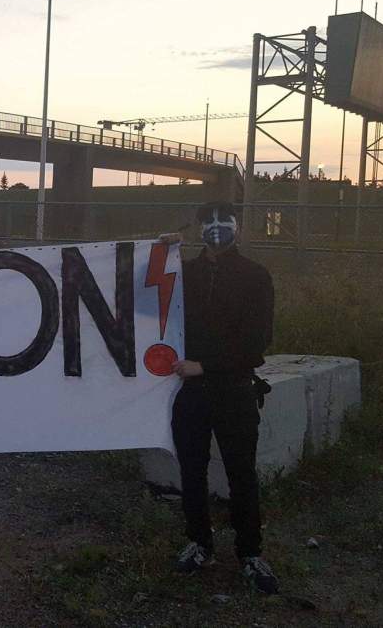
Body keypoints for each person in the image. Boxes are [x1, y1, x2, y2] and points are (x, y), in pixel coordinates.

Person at [163, 202, 279, 594]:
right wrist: (158, 255)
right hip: (190, 395)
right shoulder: (184, 274)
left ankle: (250, 552)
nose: (215, 229)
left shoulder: (255, 277)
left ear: (239, 229)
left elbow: (255, 344)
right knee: (191, 472)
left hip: (234, 391)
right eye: (207, 222)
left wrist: (204, 366)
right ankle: (200, 543)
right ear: (198, 230)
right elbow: (146, 305)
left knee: (241, 474)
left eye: (223, 222)